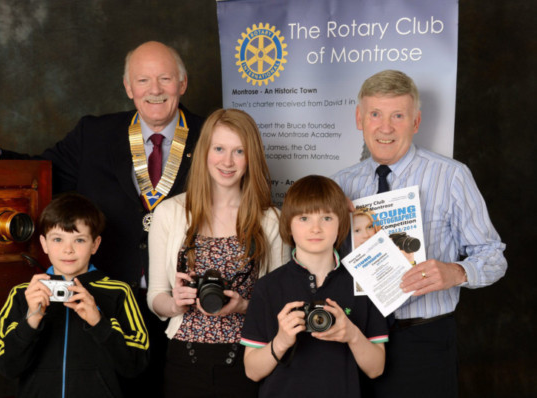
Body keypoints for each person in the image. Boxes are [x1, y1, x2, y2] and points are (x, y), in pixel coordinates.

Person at [0, 41, 204, 394]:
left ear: (183, 84)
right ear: (128, 87)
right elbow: (43, 174)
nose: (154, 90)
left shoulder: (211, 138)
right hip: (107, 301)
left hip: (185, 306)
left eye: (165, 79)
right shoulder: (93, 134)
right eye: (143, 80)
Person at [332, 70, 507, 398]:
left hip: (423, 341)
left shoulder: (451, 176)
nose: (386, 128)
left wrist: (455, 271)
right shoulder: (339, 183)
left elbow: (493, 255)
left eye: (398, 115)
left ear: (416, 121)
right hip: (356, 338)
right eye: (375, 114)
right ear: (359, 118)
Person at [147, 108, 289, 398]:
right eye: (220, 149)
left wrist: (244, 307)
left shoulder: (271, 220)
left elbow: (280, 305)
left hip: (249, 360)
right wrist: (176, 304)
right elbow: (155, 297)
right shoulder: (170, 213)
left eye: (239, 151)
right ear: (204, 152)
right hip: (183, 361)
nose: (227, 161)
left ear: (252, 158)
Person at [241, 175, 388, 398]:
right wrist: (281, 341)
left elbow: (376, 369)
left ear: (342, 224)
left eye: (327, 218)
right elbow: (252, 372)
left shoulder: (363, 283)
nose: (316, 228)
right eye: (304, 218)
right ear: (288, 225)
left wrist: (352, 335)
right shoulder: (268, 287)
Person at [0, 193, 148, 397]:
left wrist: (99, 322)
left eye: (80, 240)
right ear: (44, 243)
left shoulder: (118, 292)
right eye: (57, 239)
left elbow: (135, 365)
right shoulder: (23, 294)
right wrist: (31, 320)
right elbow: (7, 368)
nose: (68, 250)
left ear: (95, 244)